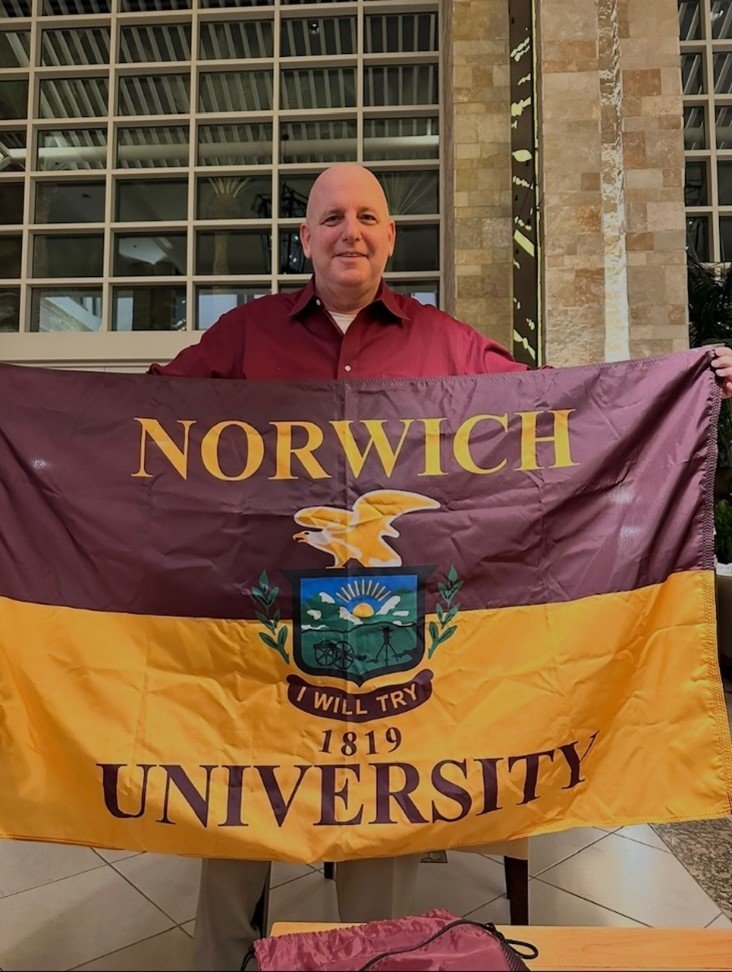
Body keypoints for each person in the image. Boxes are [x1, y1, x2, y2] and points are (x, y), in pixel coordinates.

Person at [150, 163, 732, 970]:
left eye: (366, 217)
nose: (348, 231)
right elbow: (144, 420)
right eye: (330, 218)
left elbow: (556, 408)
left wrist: (684, 383)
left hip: (390, 616)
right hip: (262, 622)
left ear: (390, 236)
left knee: (377, 803)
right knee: (238, 804)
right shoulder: (244, 335)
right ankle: (221, 964)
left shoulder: (447, 342)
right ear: (304, 239)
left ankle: (369, 960)